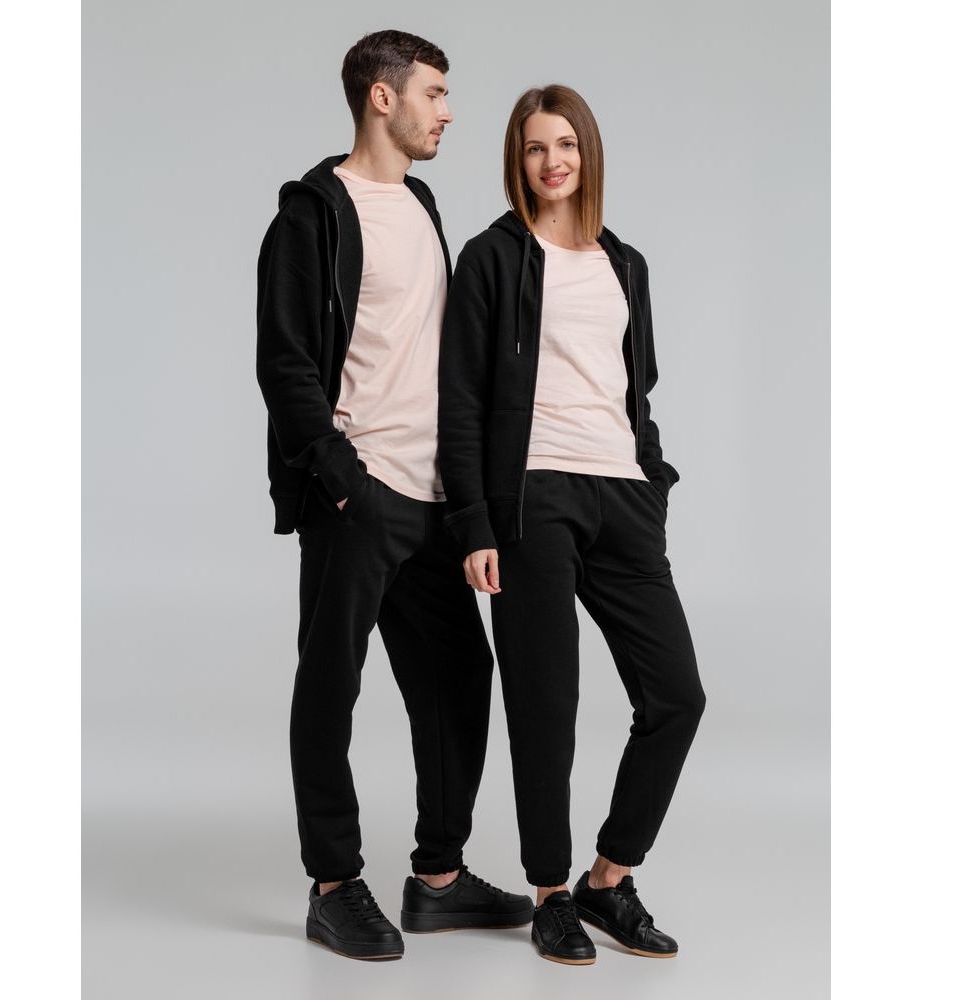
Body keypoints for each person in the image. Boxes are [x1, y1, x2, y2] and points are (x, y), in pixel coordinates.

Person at [255, 30, 532, 961]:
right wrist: (344, 482)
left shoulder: (419, 203)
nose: (448, 112)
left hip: (434, 497)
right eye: (435, 93)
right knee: (330, 686)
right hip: (361, 494)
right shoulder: (313, 216)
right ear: (384, 98)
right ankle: (334, 885)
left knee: (459, 680)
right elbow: (286, 364)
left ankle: (438, 880)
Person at [439, 84, 706, 966]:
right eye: (534, 148)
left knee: (676, 696)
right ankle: (551, 892)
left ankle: (608, 878)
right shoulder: (491, 257)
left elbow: (637, 387)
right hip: (533, 497)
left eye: (565, 144)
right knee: (546, 702)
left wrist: (651, 481)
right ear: (516, 162)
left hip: (622, 495)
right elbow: (461, 399)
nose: (552, 161)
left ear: (587, 152)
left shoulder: (626, 263)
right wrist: (475, 523)